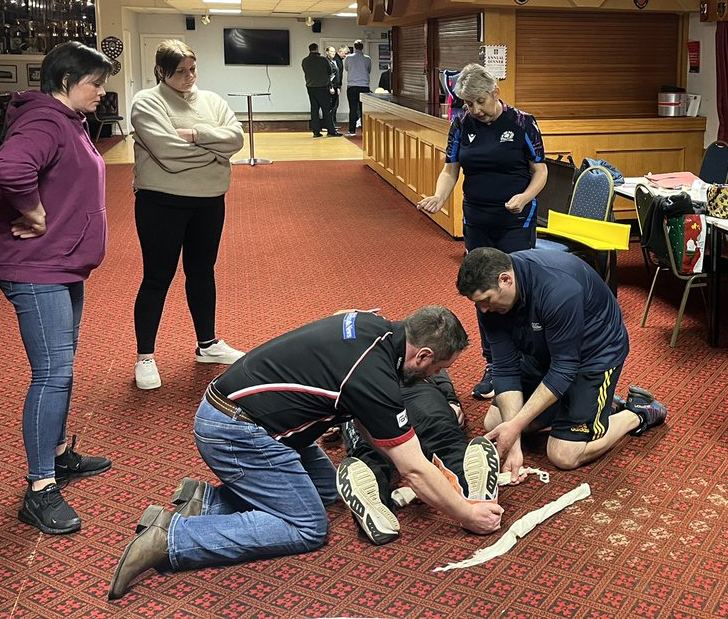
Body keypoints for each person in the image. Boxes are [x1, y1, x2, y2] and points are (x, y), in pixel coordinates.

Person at [107, 307, 502, 600]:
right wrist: (466, 513)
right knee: (307, 527)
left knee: (328, 491)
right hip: (236, 431)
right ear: (424, 356)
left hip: (245, 414)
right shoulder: (375, 376)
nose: (434, 377)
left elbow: (372, 422)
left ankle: (204, 501)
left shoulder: (374, 326)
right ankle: (173, 538)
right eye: (438, 369)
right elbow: (412, 468)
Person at [0, 41, 115, 534]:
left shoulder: (69, 120)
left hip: (61, 264)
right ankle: (40, 488)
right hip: (34, 267)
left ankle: (59, 455)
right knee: (52, 374)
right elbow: (11, 168)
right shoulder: (44, 120)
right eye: (95, 83)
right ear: (65, 82)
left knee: (61, 366)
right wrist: (34, 212)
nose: (102, 92)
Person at [456, 247, 667, 477]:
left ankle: (637, 412)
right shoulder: (489, 306)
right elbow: (505, 368)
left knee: (564, 455)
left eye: (486, 300)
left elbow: (564, 369)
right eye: (477, 303)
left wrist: (515, 426)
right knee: (495, 423)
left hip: (594, 355)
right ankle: (595, 403)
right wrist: (513, 443)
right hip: (545, 351)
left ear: (505, 279)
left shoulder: (558, 290)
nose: (482, 309)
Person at [418, 64, 548, 401]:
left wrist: (524, 197)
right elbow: (450, 170)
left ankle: (526, 361)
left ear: (495, 93)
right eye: (468, 103)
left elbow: (540, 171)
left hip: (516, 221)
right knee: (484, 294)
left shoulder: (522, 122)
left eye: (480, 101)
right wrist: (439, 197)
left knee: (515, 291)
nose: (475, 110)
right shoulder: (462, 124)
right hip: (477, 221)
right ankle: (495, 363)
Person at [130, 40, 247, 391]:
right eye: (180, 71)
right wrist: (215, 154)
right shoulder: (147, 102)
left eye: (192, 69)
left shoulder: (212, 101)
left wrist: (196, 135)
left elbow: (236, 139)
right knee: (157, 277)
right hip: (161, 202)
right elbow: (167, 152)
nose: (189, 76)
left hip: (209, 201)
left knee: (202, 273)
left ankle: (207, 344)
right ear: (161, 71)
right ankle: (145, 356)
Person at [336, 369, 500, 545]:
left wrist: (331, 420)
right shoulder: (416, 355)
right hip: (416, 387)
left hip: (360, 399)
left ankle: (378, 512)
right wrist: (452, 400)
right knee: (443, 437)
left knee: (369, 452)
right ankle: (470, 489)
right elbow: (438, 370)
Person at [301, 42, 340, 137]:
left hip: (310, 87)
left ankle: (316, 131)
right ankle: (331, 131)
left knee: (314, 109)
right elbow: (330, 71)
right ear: (317, 49)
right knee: (327, 109)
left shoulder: (305, 61)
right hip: (322, 87)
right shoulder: (323, 60)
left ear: (309, 49)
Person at [344, 41, 372, 135]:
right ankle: (365, 130)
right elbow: (369, 70)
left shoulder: (348, 58)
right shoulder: (367, 58)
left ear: (354, 47)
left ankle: (352, 130)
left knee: (352, 108)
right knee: (364, 109)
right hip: (364, 86)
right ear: (362, 47)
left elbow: (346, 68)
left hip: (352, 86)